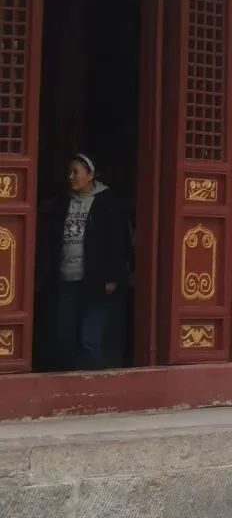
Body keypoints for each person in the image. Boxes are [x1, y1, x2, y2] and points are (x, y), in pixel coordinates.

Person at [39, 154, 129, 371]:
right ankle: (68, 382)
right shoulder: (62, 202)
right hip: (66, 277)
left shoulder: (107, 204)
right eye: (69, 172)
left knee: (90, 337)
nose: (71, 177)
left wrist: (113, 276)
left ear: (90, 175)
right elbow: (49, 239)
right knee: (65, 335)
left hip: (94, 279)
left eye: (76, 172)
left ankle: (91, 382)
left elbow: (118, 242)